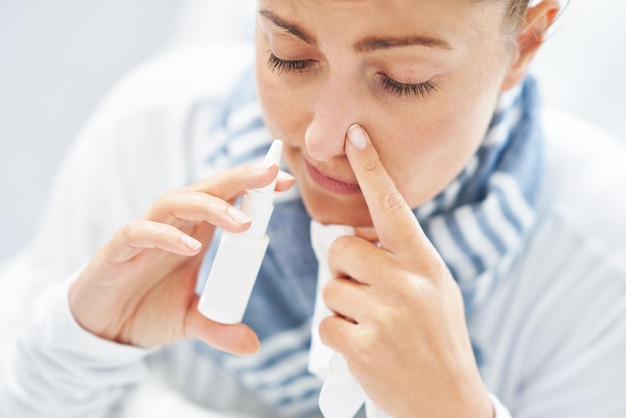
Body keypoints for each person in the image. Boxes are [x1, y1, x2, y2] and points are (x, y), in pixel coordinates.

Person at [1, 0, 626, 417]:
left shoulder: (600, 258)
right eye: (289, 56)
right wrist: (78, 347)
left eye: (403, 79)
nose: (325, 142)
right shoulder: (152, 138)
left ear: (526, 41)